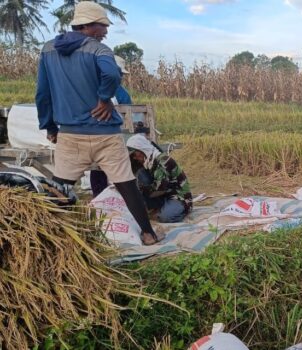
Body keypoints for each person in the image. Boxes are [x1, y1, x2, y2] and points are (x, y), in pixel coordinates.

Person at [35, 1, 163, 245]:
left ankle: (51, 239)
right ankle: (148, 234)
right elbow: (113, 74)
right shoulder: (99, 50)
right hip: (105, 134)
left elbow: (43, 93)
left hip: (70, 135)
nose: (105, 32)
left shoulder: (48, 50)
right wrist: (105, 98)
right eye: (103, 26)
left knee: (60, 188)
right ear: (89, 26)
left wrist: (50, 127)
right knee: (126, 184)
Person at [90, 55, 133, 197]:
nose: (121, 77)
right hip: (115, 135)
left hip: (95, 135)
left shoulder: (91, 88)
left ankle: (99, 197)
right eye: (120, 74)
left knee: (98, 168)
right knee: (116, 169)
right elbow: (129, 116)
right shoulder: (121, 93)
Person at [126, 134, 192, 223]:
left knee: (165, 217)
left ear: (142, 150)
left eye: (134, 153)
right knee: (140, 174)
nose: (134, 157)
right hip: (164, 196)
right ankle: (159, 208)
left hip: (178, 196)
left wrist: (140, 191)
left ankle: (183, 210)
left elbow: (161, 188)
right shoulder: (149, 162)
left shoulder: (163, 160)